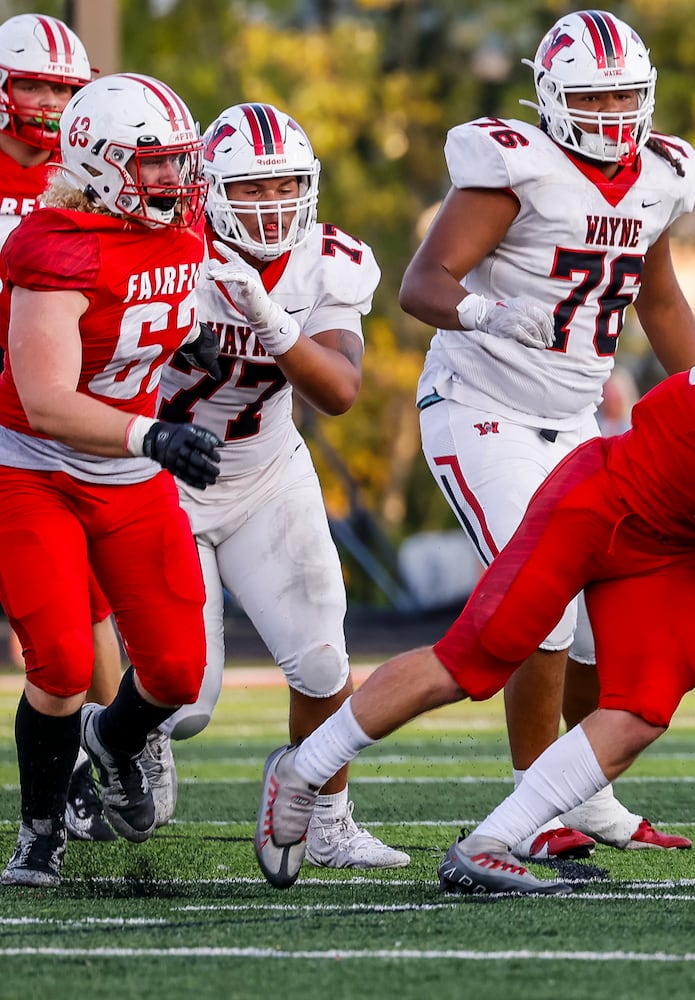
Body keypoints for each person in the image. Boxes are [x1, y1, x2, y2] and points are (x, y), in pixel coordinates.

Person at [253, 338, 695, 894]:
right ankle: (304, 768)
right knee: (476, 658)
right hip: (603, 500)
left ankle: (493, 841)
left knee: (642, 707)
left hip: (669, 544)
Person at [398, 9, 695, 859]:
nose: (612, 114)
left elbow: (662, 299)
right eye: (593, 96)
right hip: (480, 408)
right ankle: (533, 807)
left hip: (573, 417)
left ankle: (585, 791)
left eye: (625, 95)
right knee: (546, 607)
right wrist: (488, 311)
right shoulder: (513, 166)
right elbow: (423, 282)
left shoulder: (661, 176)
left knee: (606, 618)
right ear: (551, 98)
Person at [133, 102, 408, 870]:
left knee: (322, 660)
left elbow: (340, 391)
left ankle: (327, 818)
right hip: (161, 476)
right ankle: (136, 738)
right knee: (187, 705)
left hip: (265, 474)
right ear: (208, 190)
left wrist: (264, 315)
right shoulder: (162, 249)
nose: (273, 203)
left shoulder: (328, 260)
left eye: (285, 184)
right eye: (251, 189)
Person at [0, 72, 219, 887]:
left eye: (177, 161)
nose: (172, 179)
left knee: (174, 674)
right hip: (36, 469)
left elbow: (154, 309)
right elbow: (48, 401)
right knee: (58, 661)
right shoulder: (52, 243)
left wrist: (181, 342)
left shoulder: (182, 227)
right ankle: (41, 830)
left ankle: (116, 739)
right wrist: (152, 430)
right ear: (96, 162)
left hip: (127, 472)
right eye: (152, 163)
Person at [0, 10, 124, 846]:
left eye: (63, 88)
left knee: (90, 619)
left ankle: (108, 766)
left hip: (56, 426)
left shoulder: (96, 179)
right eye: (35, 84)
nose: (48, 104)